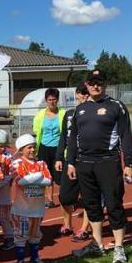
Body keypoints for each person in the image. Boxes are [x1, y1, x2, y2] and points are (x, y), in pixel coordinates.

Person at [67, 69, 132, 263]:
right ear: (86, 85)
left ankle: (119, 247)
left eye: (99, 82)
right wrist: (70, 162)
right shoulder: (80, 109)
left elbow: (125, 136)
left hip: (108, 162)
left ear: (105, 84)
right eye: (92, 83)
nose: (95, 86)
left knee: (114, 204)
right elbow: (73, 138)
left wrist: (129, 163)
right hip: (84, 163)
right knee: (91, 204)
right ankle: (97, 244)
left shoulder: (116, 106)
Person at [11, 134, 52, 263]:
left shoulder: (41, 163)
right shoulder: (18, 163)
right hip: (22, 210)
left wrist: (32, 178)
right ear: (21, 149)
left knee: (35, 235)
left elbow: (49, 181)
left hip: (37, 209)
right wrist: (39, 176)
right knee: (21, 237)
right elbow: (21, 181)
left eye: (34, 147)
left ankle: (35, 259)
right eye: (29, 147)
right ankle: (20, 262)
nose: (33, 150)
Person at [55, 85, 91, 240]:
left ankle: (84, 228)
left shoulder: (94, 113)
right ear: (77, 94)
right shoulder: (69, 114)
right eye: (82, 93)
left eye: (87, 93)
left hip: (88, 160)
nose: (85, 96)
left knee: (89, 196)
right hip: (70, 160)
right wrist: (58, 157)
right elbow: (64, 137)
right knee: (64, 196)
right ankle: (67, 224)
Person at [33, 88, 65, 208]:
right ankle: (50, 200)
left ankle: (65, 199)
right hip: (44, 148)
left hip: (58, 148)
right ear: (46, 100)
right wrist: (36, 149)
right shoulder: (40, 115)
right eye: (50, 99)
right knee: (47, 175)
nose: (52, 102)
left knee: (60, 176)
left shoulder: (63, 113)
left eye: (54, 99)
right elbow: (37, 131)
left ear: (57, 100)